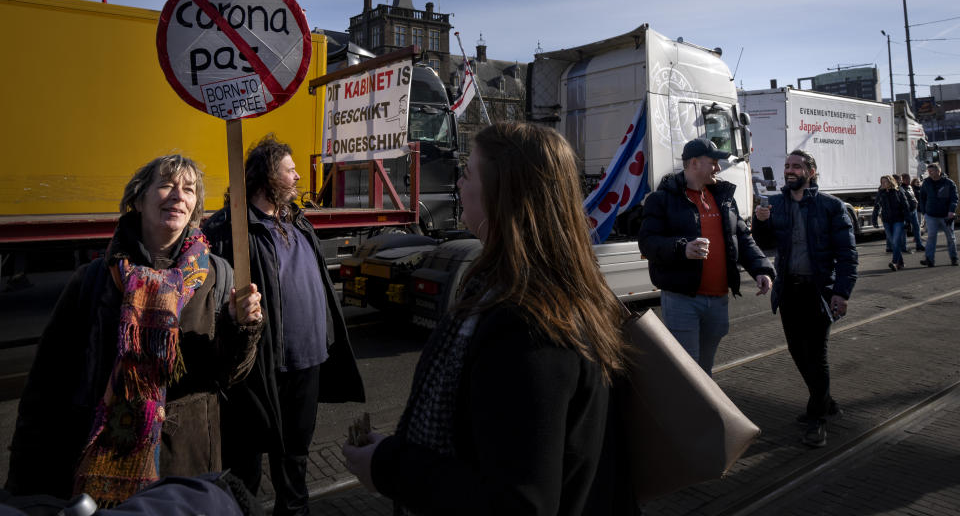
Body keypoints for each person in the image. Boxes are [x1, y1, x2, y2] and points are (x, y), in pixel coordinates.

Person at [342, 123, 634, 515]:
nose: (459, 186)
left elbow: (516, 503)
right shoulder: (534, 296)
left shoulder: (527, 327)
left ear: (504, 195)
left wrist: (389, 466)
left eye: (467, 173)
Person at [5, 155, 264, 506]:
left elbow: (229, 375)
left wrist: (242, 328)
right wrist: (24, 484)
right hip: (99, 471)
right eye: (166, 185)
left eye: (189, 190)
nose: (178, 195)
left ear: (196, 208)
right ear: (138, 199)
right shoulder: (93, 280)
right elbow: (46, 388)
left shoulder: (218, 278)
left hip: (186, 471)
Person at [203, 135, 365, 516]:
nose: (297, 177)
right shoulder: (230, 231)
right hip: (260, 370)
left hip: (308, 363)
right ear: (266, 177)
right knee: (246, 463)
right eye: (289, 170)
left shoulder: (296, 221)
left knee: (295, 459)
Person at [637, 138, 775, 376]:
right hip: (683, 299)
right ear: (693, 163)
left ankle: (699, 410)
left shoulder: (723, 197)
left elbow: (742, 237)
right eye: (713, 163)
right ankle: (687, 412)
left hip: (718, 299)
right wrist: (682, 248)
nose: (718, 169)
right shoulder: (663, 199)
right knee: (687, 371)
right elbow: (648, 243)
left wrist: (761, 269)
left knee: (704, 368)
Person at [753, 149, 858, 449]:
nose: (790, 171)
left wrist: (842, 292)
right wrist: (760, 222)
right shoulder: (775, 204)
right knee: (797, 351)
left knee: (816, 354)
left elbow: (847, 255)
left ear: (811, 172)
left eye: (797, 166)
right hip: (789, 291)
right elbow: (763, 244)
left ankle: (817, 419)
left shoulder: (831, 207)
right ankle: (825, 400)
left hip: (819, 291)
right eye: (787, 166)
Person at [918, 162, 959, 267]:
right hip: (931, 215)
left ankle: (954, 258)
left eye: (932, 171)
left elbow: (954, 198)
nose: (930, 173)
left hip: (946, 215)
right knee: (931, 237)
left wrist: (952, 210)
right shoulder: (926, 183)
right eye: (929, 171)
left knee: (950, 237)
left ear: (938, 171)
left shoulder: (949, 183)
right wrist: (924, 212)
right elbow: (922, 198)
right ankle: (929, 260)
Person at [872, 175, 910, 271]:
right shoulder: (881, 193)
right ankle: (901, 263)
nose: (883, 184)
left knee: (896, 241)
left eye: (885, 182)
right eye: (882, 182)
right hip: (886, 221)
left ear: (891, 182)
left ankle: (894, 263)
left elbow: (906, 206)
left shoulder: (898, 191)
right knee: (893, 243)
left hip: (898, 220)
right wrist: (874, 219)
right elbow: (876, 206)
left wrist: (907, 221)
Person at [900, 173, 924, 252]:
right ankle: (904, 247)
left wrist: (916, 202)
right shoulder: (901, 188)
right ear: (902, 179)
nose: (908, 180)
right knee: (905, 229)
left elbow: (913, 197)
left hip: (914, 210)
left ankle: (919, 245)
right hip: (906, 211)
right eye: (906, 178)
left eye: (908, 178)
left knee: (916, 228)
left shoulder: (909, 187)